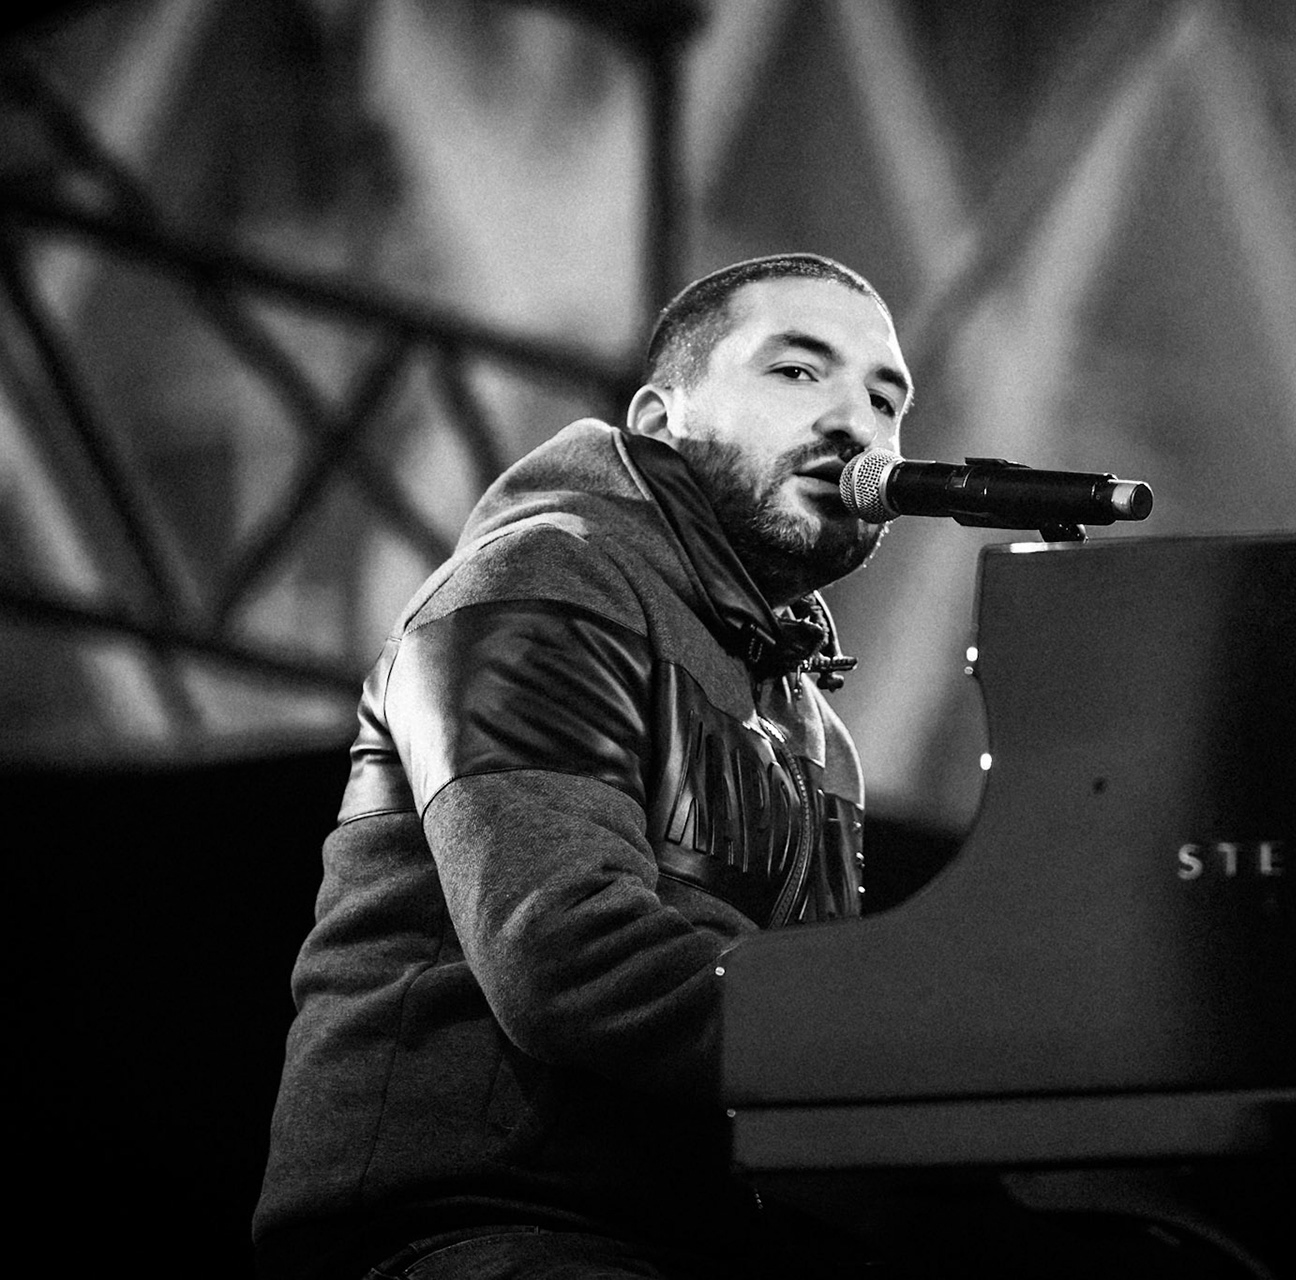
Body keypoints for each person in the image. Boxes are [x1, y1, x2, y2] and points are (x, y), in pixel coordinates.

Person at [253, 253, 912, 1280]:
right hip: (479, 1227)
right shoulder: (545, 574)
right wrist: (900, 1044)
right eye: (797, 371)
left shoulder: (819, 734)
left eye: (887, 397)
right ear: (659, 419)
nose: (854, 422)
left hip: (686, 1238)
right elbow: (564, 950)